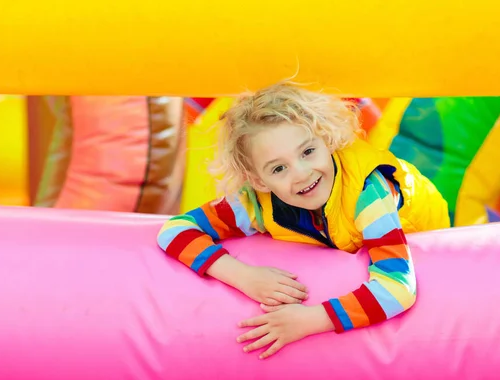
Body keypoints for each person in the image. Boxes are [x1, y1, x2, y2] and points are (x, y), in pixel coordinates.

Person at [157, 82, 450, 359]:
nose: (301, 173)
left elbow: (399, 288)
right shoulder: (257, 202)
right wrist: (244, 276)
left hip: (431, 238)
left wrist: (311, 320)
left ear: (326, 139)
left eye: (308, 152)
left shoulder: (369, 193)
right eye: (279, 168)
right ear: (257, 179)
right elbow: (175, 230)